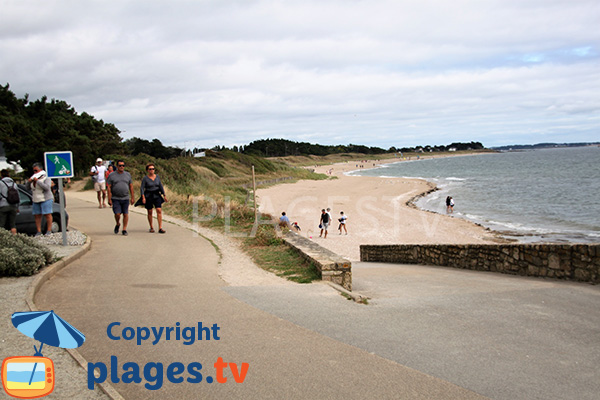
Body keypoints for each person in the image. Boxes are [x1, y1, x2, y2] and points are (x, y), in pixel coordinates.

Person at [106, 160, 134, 236]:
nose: (122, 167)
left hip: (125, 197)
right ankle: (118, 223)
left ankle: (124, 229)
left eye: (123, 165)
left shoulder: (128, 175)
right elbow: (109, 187)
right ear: (117, 166)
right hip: (115, 198)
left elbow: (131, 186)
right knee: (117, 214)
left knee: (125, 213)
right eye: (120, 165)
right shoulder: (112, 175)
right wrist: (109, 198)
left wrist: (132, 197)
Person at [27, 163, 54, 236]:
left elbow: (47, 187)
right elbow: (28, 188)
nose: (35, 172)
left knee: (47, 214)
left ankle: (49, 230)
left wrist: (37, 181)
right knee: (37, 215)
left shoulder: (46, 177)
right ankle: (39, 231)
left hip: (45, 198)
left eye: (36, 170)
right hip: (36, 199)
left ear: (40, 169)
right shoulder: (33, 177)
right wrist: (29, 181)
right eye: (34, 171)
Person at [140, 163, 167, 233]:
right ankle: (151, 227)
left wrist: (164, 195)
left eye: (153, 169)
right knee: (150, 211)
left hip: (156, 195)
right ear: (147, 170)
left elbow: (160, 186)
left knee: (159, 210)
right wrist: (143, 197)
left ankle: (160, 227)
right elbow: (142, 188)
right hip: (148, 195)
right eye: (150, 169)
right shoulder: (145, 178)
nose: (152, 170)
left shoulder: (157, 177)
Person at [0, 169, 18, 234]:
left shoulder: (1, 183)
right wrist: (17, 207)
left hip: (3, 206)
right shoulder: (14, 184)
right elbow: (18, 196)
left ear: (1, 175)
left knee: (1, 225)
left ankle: (2, 240)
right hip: (13, 206)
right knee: (13, 225)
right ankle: (14, 239)